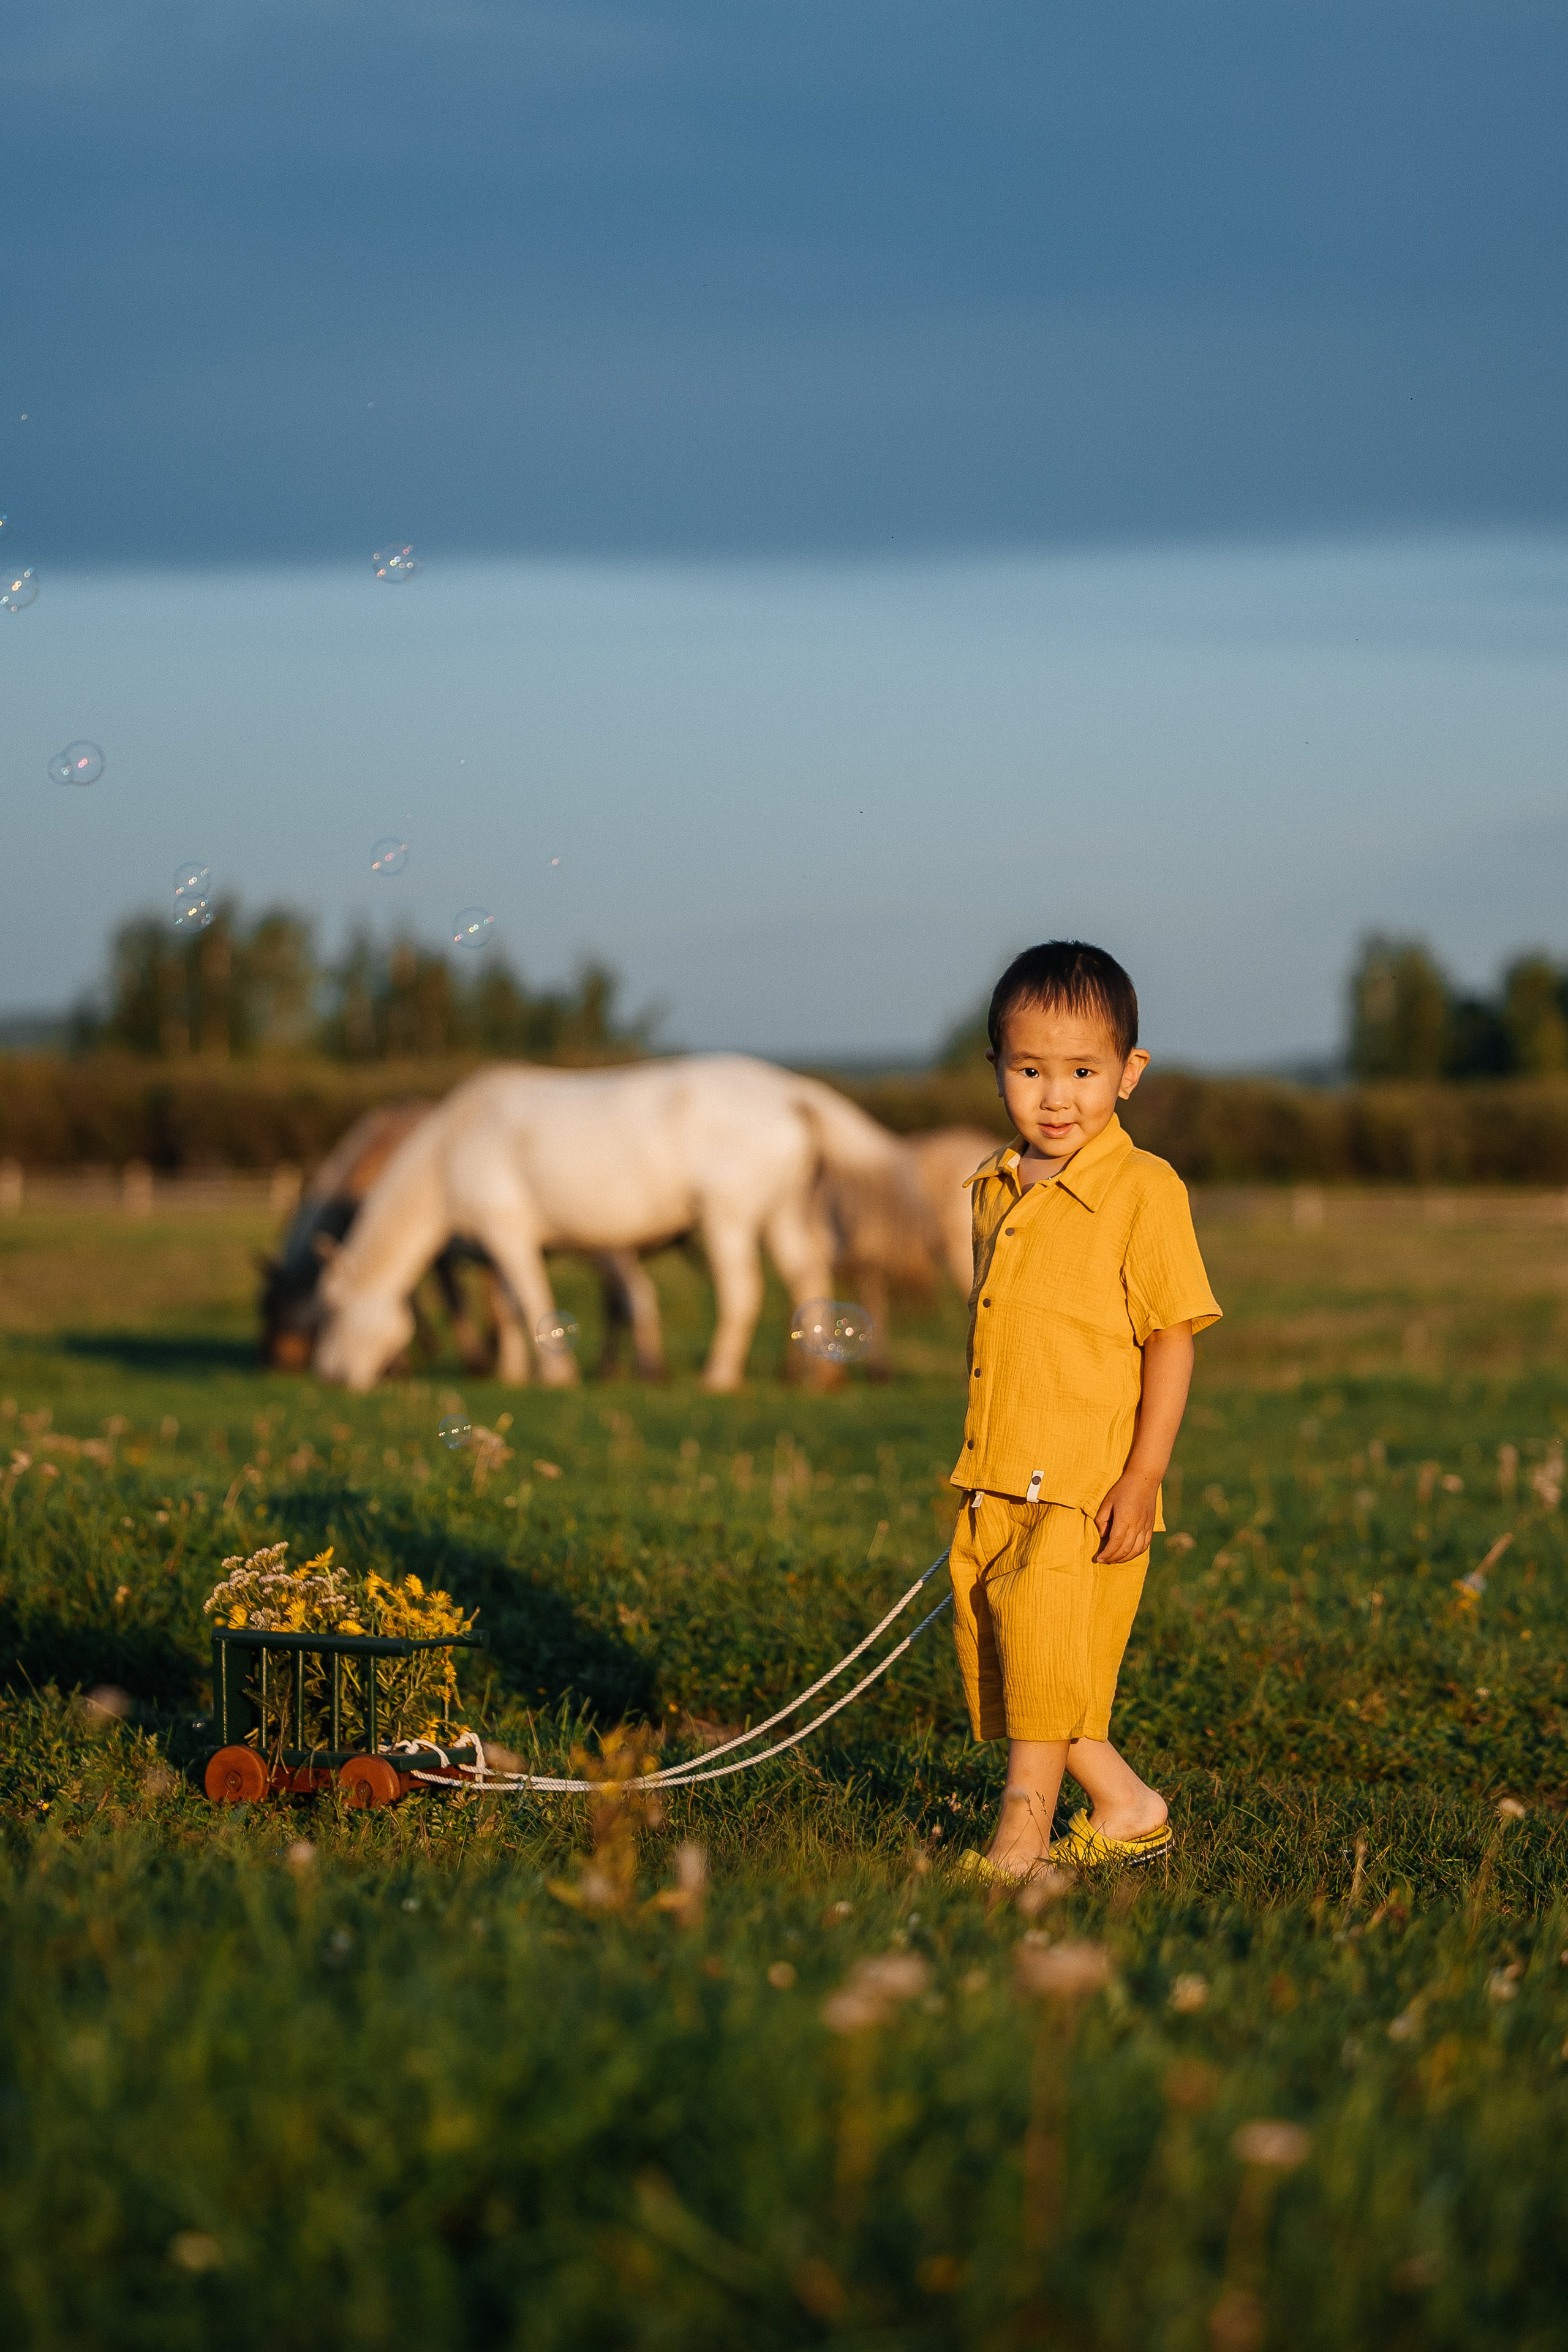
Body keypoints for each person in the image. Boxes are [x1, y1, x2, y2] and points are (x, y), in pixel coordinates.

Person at [949, 940, 1221, 1879]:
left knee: (1044, 1663)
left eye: (1082, 1072)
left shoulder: (1144, 1191)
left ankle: (1019, 1845)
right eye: (1030, 1070)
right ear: (997, 1069)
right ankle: (1127, 1804)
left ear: (1128, 1074)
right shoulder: (993, 1185)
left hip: (1084, 1478)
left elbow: (1171, 1338)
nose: (1055, 1097)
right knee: (1026, 1664)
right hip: (997, 1471)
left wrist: (1144, 1474)